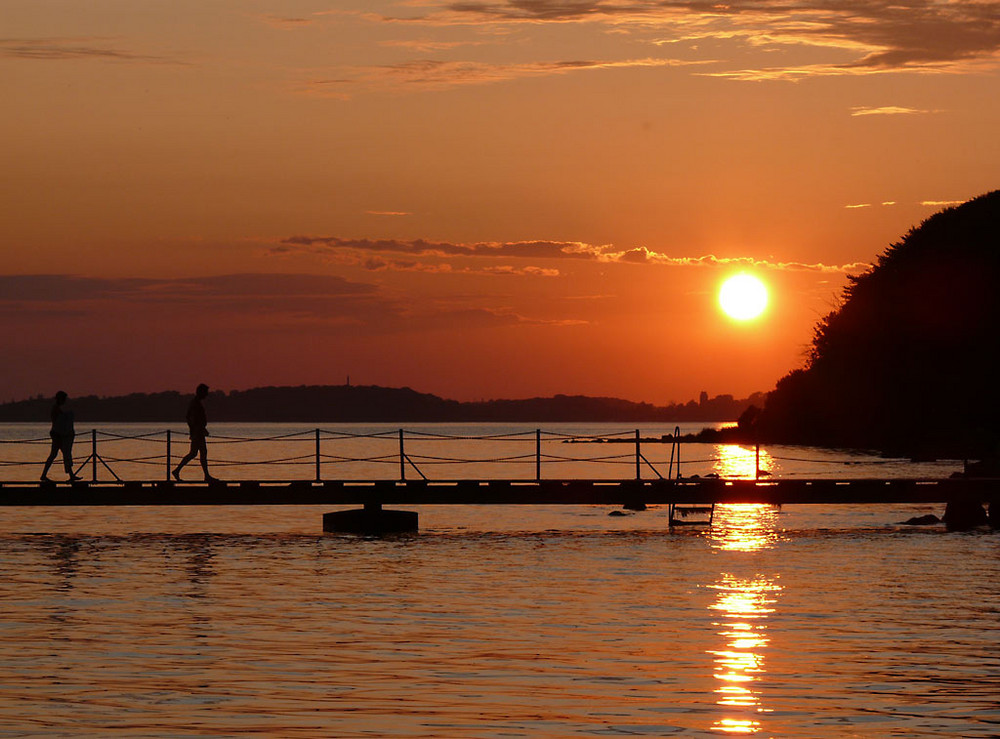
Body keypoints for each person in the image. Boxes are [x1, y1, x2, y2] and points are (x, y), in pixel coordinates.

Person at [172, 383, 218, 482]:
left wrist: (197, 428)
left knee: (196, 453)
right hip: (198, 433)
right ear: (201, 392)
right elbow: (193, 418)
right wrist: (197, 429)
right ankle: (205, 475)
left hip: (198, 432)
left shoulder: (195, 403)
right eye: (206, 392)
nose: (207, 394)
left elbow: (189, 417)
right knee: (198, 453)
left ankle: (178, 470)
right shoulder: (195, 404)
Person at [42, 391, 81, 482]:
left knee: (62, 454)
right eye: (64, 399)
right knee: (60, 454)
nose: (65, 401)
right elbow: (58, 422)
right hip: (57, 435)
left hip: (58, 434)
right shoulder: (55, 409)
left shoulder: (57, 408)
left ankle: (71, 475)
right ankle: (44, 475)